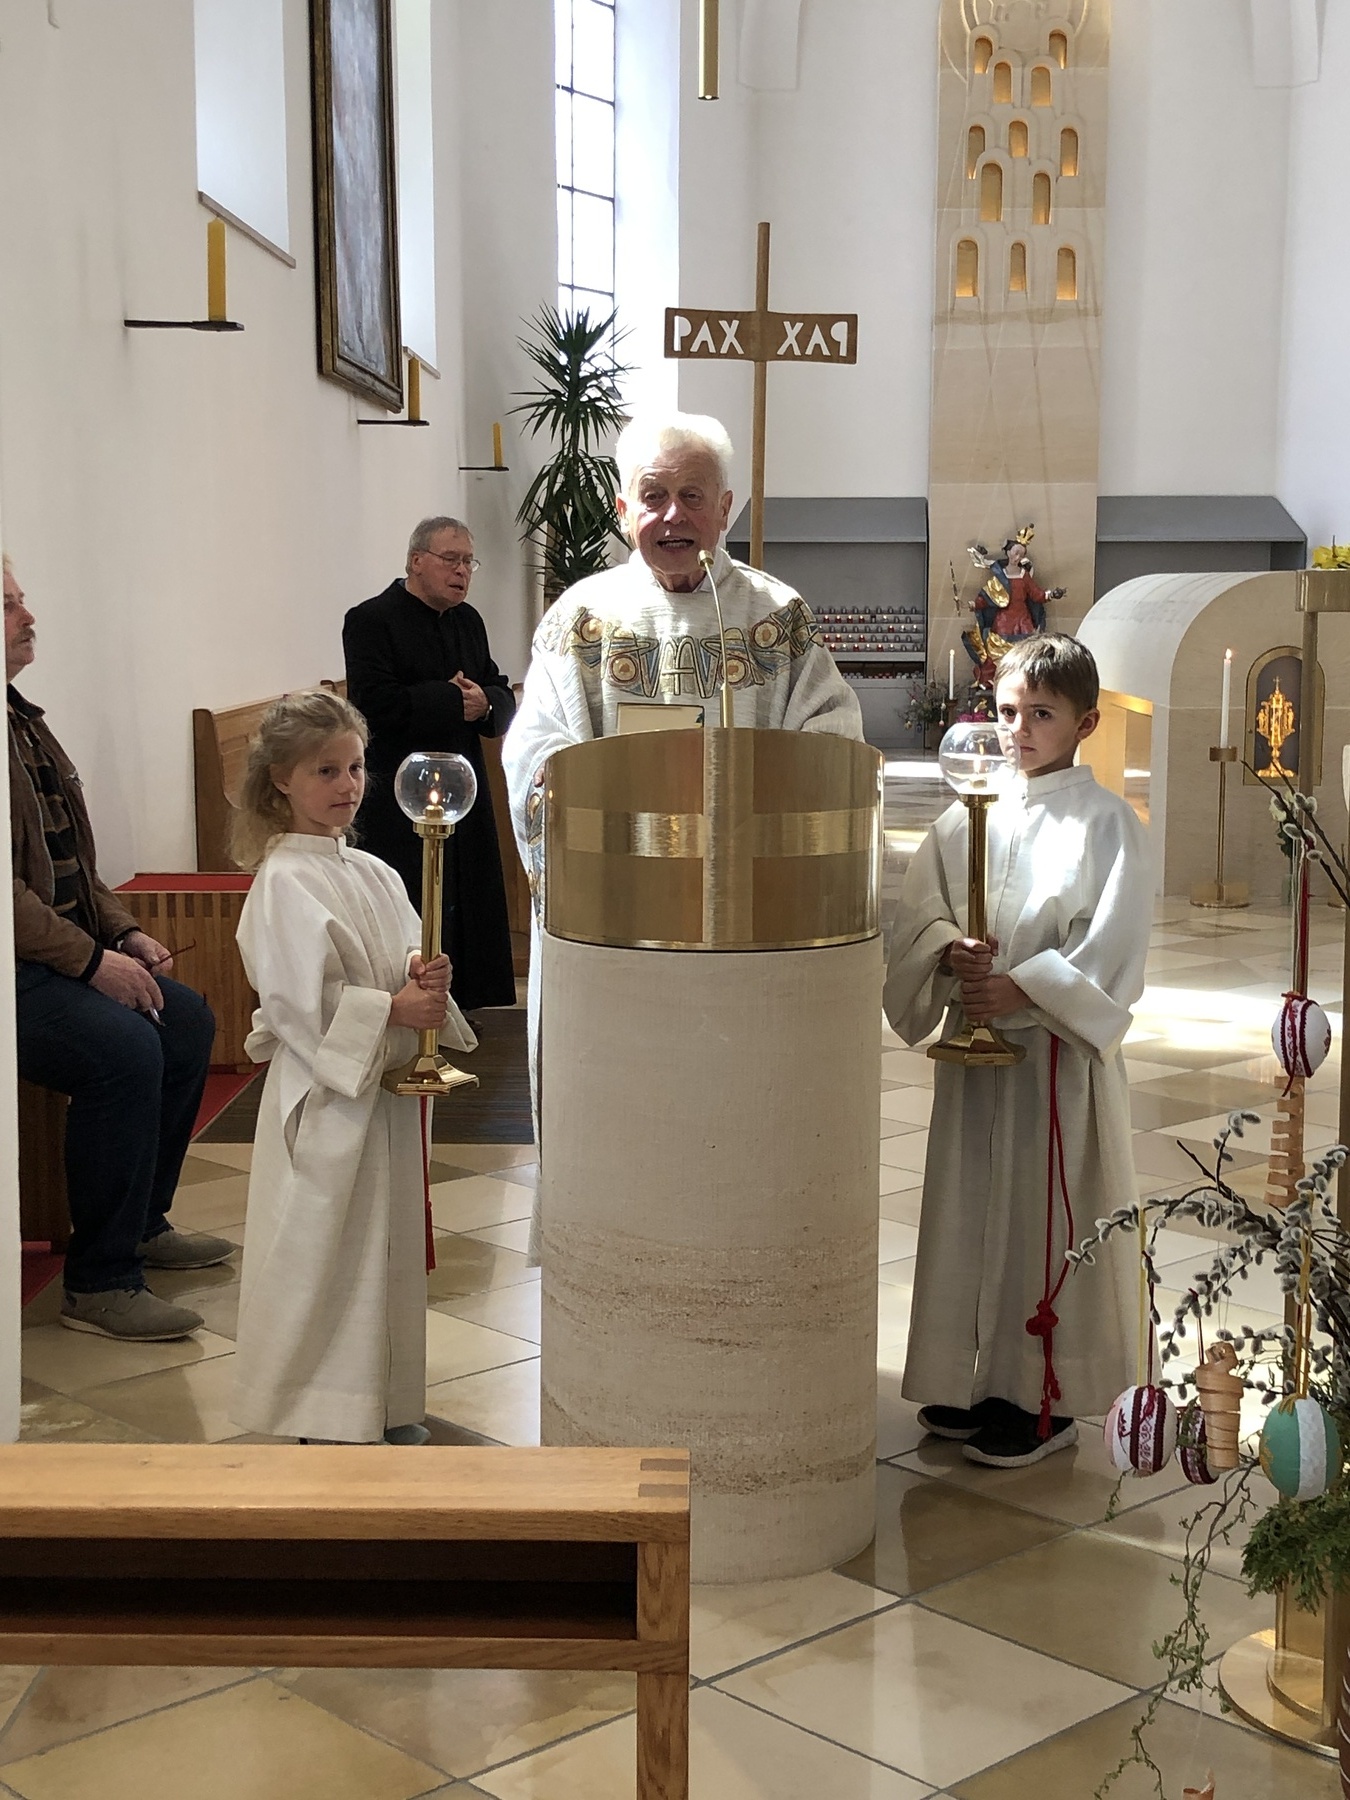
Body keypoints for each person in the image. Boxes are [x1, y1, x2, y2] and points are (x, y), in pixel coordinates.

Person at [883, 633, 1152, 1469]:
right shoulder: (973, 809)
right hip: (976, 1063)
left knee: (1042, 1222)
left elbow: (1112, 949)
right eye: (1006, 712)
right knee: (970, 1213)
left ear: (1085, 723)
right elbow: (922, 909)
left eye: (1041, 714)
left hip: (1053, 1067)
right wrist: (949, 953)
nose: (1019, 730)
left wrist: (1024, 990)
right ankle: (969, 1378)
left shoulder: (1107, 824)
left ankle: (1042, 1397)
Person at [227, 689, 477, 1444]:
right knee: (325, 1252)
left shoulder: (371, 870)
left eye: (357, 767)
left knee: (382, 1249)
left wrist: (423, 972)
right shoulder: (282, 881)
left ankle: (384, 1403)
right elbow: (299, 1003)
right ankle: (319, 1410)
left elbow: (399, 950)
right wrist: (393, 1008)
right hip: (330, 1096)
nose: (348, 785)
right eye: (325, 771)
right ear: (281, 779)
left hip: (383, 1096)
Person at [503, 410, 863, 890]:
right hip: (616, 881)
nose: (674, 515)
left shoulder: (778, 615)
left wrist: (773, 787)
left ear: (724, 508)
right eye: (654, 496)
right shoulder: (579, 618)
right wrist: (564, 779)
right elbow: (536, 741)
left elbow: (834, 735)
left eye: (692, 495)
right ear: (623, 511)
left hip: (745, 881)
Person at [6, 558, 225, 1341]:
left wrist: (124, 932)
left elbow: (74, 866)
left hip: (58, 959)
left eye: (22, 601)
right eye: (7, 607)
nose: (28, 618)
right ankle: (99, 1282)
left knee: (187, 1021)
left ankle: (143, 1224)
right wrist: (96, 964)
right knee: (125, 1051)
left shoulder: (24, 720)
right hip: (17, 974)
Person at [343, 517, 517, 1013]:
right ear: (416, 561)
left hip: (463, 785)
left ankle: (462, 1008)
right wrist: (451, 699)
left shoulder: (469, 621)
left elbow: (499, 691)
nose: (462, 571)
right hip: (399, 793)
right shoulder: (371, 620)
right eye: (451, 559)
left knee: (467, 896)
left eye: (468, 562)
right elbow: (373, 703)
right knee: (413, 899)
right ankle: (413, 1008)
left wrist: (485, 702)